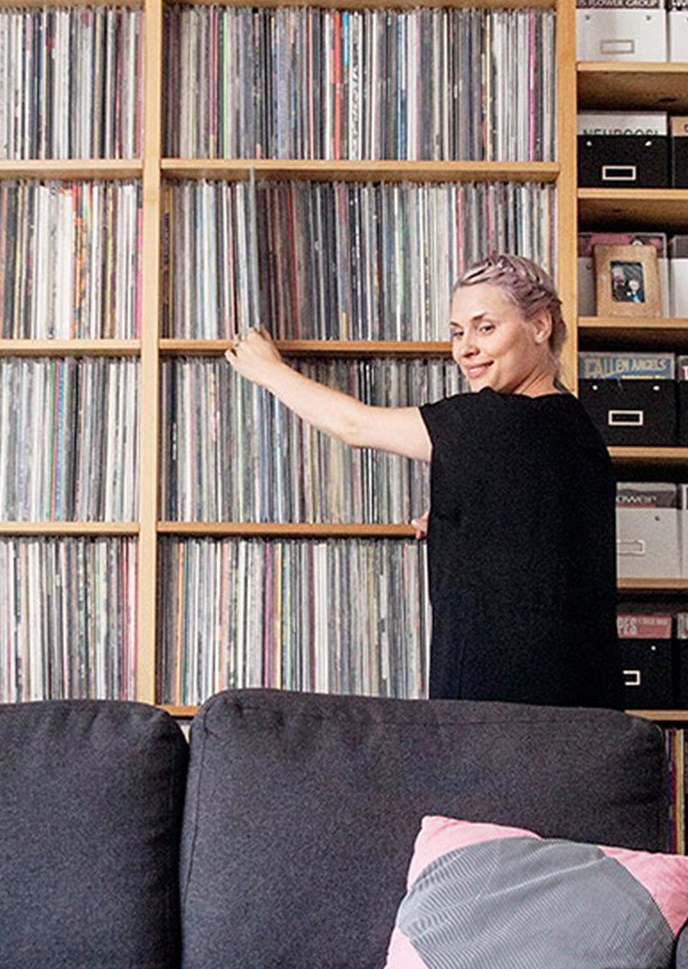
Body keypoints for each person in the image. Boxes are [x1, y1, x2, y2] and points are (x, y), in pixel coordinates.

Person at [225, 249, 624, 707]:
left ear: (539, 326)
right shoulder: (571, 426)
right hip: (582, 709)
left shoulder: (497, 421)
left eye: (485, 328)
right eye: (457, 332)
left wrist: (269, 371)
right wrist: (467, 515)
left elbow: (355, 426)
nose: (465, 348)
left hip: (506, 714)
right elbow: (542, 527)